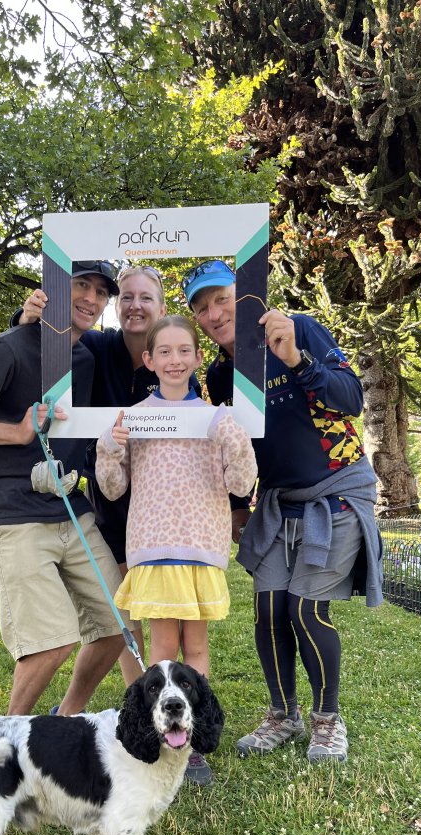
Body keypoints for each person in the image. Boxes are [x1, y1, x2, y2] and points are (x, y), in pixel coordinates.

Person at [182, 260, 383, 763]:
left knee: (305, 609)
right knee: (270, 608)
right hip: (274, 500)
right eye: (202, 308)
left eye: (222, 298)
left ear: (245, 295)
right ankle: (283, 715)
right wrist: (235, 506)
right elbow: (232, 445)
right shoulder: (221, 373)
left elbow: (352, 397)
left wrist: (296, 359)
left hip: (335, 490)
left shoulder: (298, 329)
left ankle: (326, 720)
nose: (214, 312)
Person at [0, 262, 133, 717]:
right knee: (49, 644)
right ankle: (5, 739)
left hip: (71, 510)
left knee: (118, 622)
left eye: (101, 292)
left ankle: (65, 720)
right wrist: (17, 432)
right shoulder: (6, 348)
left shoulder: (84, 357)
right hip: (16, 514)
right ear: (53, 290)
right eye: (80, 285)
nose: (91, 298)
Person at [17, 266, 200, 686]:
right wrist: (27, 318)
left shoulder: (178, 361)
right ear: (117, 306)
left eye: (145, 298)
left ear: (162, 306)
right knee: (126, 606)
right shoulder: (97, 346)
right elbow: (50, 342)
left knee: (165, 608)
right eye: (127, 297)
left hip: (164, 502)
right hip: (110, 494)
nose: (135, 305)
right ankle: (140, 695)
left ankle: (170, 689)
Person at [96, 315, 257, 785]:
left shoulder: (217, 418)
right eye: (163, 351)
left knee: (197, 648)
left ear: (197, 357)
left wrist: (235, 441)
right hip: (153, 545)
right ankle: (160, 733)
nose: (174, 359)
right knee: (164, 649)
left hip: (202, 546)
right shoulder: (133, 417)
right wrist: (110, 446)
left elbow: (241, 483)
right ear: (148, 360)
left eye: (184, 350)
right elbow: (111, 488)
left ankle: (192, 734)